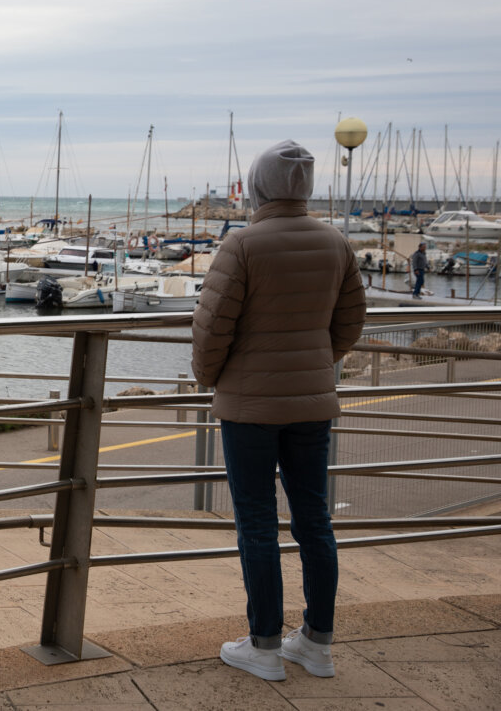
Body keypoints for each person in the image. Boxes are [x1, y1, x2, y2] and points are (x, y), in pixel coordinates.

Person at [191, 140, 366, 681]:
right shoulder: (335, 242)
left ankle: (264, 645)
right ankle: (317, 642)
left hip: (249, 405)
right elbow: (350, 323)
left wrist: (210, 378)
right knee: (314, 520)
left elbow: (212, 327)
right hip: (311, 401)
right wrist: (315, 364)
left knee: (257, 523)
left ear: (259, 186)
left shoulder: (242, 245)